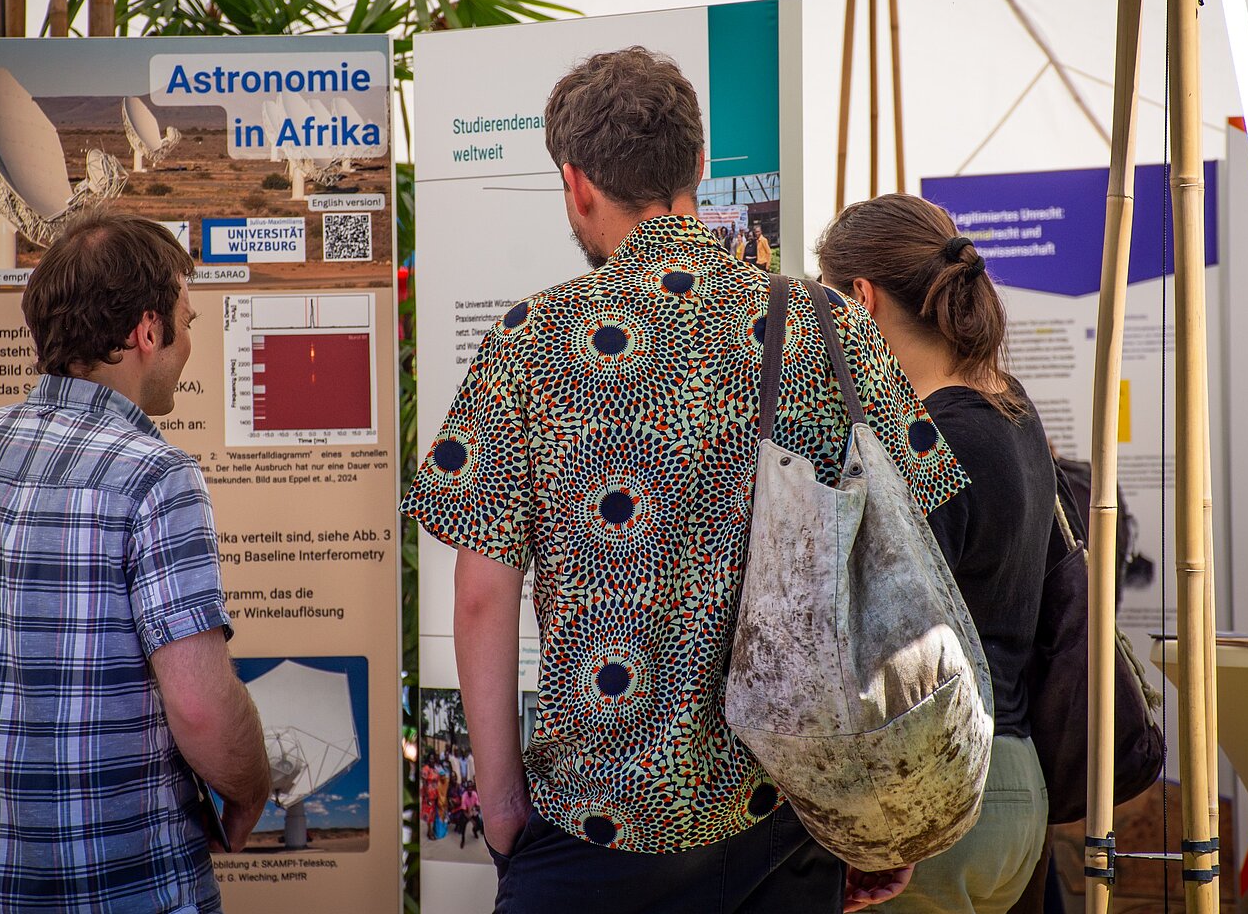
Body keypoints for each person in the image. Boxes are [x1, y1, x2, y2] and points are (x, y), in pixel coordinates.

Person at [402, 47, 969, 914]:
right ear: (698, 165)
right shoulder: (829, 325)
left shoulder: (530, 342)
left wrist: (504, 806)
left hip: (595, 819)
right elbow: (917, 546)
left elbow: (482, 598)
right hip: (785, 810)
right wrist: (868, 812)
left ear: (576, 183)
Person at [0, 209, 271, 912]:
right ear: (148, 331)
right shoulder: (157, 477)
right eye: (186, 322)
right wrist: (250, 790)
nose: (189, 342)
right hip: (129, 889)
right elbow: (199, 706)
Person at [817, 193, 1052, 914]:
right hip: (1017, 782)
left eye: (827, 304)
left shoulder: (930, 443)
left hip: (941, 787)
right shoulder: (1010, 406)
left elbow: (891, 650)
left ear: (861, 299)